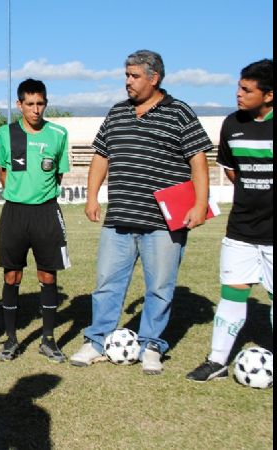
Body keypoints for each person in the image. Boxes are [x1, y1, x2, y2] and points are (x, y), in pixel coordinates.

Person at [69, 50, 213, 375]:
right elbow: (101, 156)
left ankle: (151, 345)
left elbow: (198, 160)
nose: (128, 81)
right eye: (126, 75)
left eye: (134, 76)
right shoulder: (117, 112)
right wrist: (92, 197)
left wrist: (200, 204)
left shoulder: (179, 112)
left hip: (163, 224)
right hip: (118, 219)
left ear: (154, 78)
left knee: (160, 288)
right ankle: (97, 341)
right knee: (106, 284)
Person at [186, 59, 273, 382]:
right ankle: (217, 361)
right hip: (241, 229)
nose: (238, 94)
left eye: (247, 90)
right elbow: (233, 171)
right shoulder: (232, 123)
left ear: (269, 95)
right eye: (239, 87)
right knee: (232, 293)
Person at [0, 79, 70, 364]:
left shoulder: (58, 134)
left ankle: (48, 340)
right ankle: (11, 339)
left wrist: (38, 195)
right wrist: (20, 194)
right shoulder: (5, 133)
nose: (36, 109)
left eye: (40, 104)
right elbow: (3, 173)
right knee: (11, 275)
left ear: (46, 104)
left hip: (46, 212)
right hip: (14, 212)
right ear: (19, 105)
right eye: (30, 104)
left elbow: (58, 174)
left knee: (48, 275)